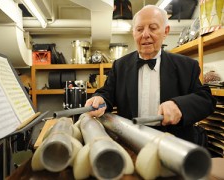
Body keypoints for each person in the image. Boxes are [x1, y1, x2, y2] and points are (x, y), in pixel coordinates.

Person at [85, 5, 216, 145]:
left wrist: (180, 106)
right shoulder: (120, 65)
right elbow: (107, 94)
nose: (145, 34)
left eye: (153, 28)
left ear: (165, 31)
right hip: (130, 142)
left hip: (173, 144)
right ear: (133, 33)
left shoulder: (187, 66)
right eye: (139, 29)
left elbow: (206, 100)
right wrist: (99, 98)